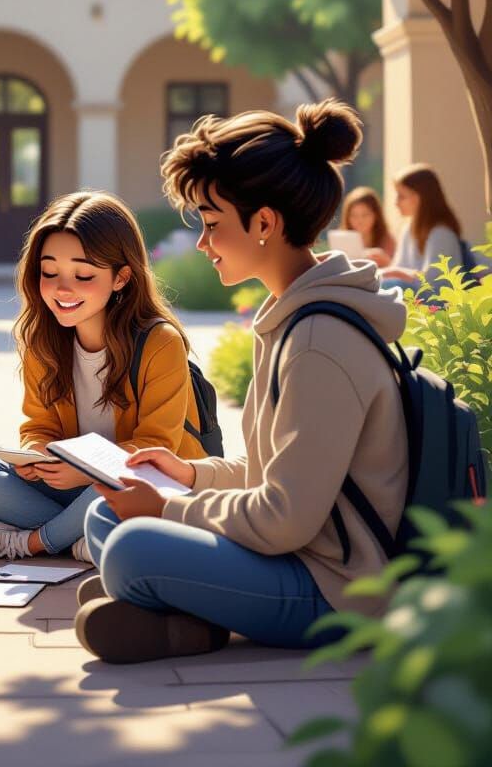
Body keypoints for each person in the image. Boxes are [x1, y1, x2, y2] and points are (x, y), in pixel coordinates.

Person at [75, 100, 408, 665]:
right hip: (299, 553)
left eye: (211, 224)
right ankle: (176, 606)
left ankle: (173, 606)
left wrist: (165, 510)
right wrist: (190, 474)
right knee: (105, 515)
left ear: (264, 223)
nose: (202, 245)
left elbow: (284, 518)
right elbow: (275, 474)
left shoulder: (319, 342)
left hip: (338, 591)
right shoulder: (293, 320)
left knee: (132, 544)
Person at [0, 191, 210, 564]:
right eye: (49, 272)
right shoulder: (41, 341)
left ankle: (37, 543)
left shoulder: (161, 342)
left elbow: (157, 448)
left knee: (109, 487)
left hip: (148, 486)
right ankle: (85, 540)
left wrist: (82, 471)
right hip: (79, 490)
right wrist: (35, 457)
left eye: (84, 274)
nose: (63, 288)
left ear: (121, 277)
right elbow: (38, 427)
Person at [381, 164, 467, 288]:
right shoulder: (408, 228)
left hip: (438, 304)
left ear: (419, 198)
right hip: (413, 299)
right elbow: (398, 267)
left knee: (390, 286)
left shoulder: (441, 233)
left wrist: (396, 273)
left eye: (402, 196)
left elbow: (435, 283)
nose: (396, 202)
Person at [340, 186, 396, 267]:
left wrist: (387, 262)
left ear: (376, 215)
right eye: (353, 215)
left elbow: (396, 270)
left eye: (365, 215)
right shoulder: (341, 240)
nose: (359, 221)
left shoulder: (387, 240)